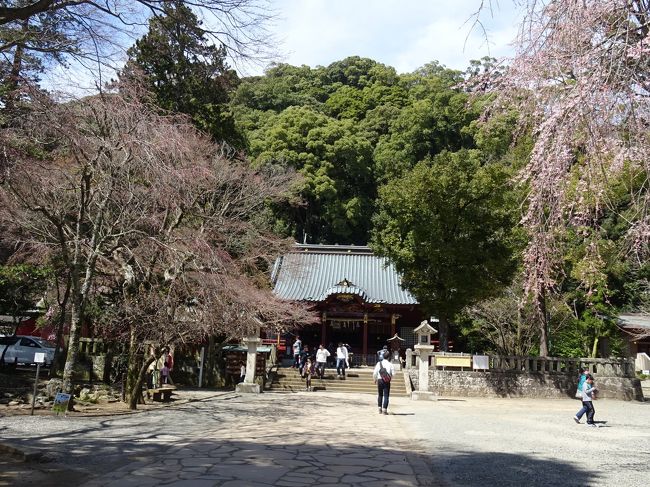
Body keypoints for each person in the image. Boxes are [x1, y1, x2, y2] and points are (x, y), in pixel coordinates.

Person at [373, 350, 394, 415]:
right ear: (388, 357)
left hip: (379, 380)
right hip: (387, 381)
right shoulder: (390, 364)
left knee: (380, 395)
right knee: (386, 395)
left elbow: (375, 373)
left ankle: (379, 409)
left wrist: (375, 379)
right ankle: (384, 410)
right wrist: (390, 378)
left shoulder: (379, 363)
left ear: (383, 357)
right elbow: (393, 374)